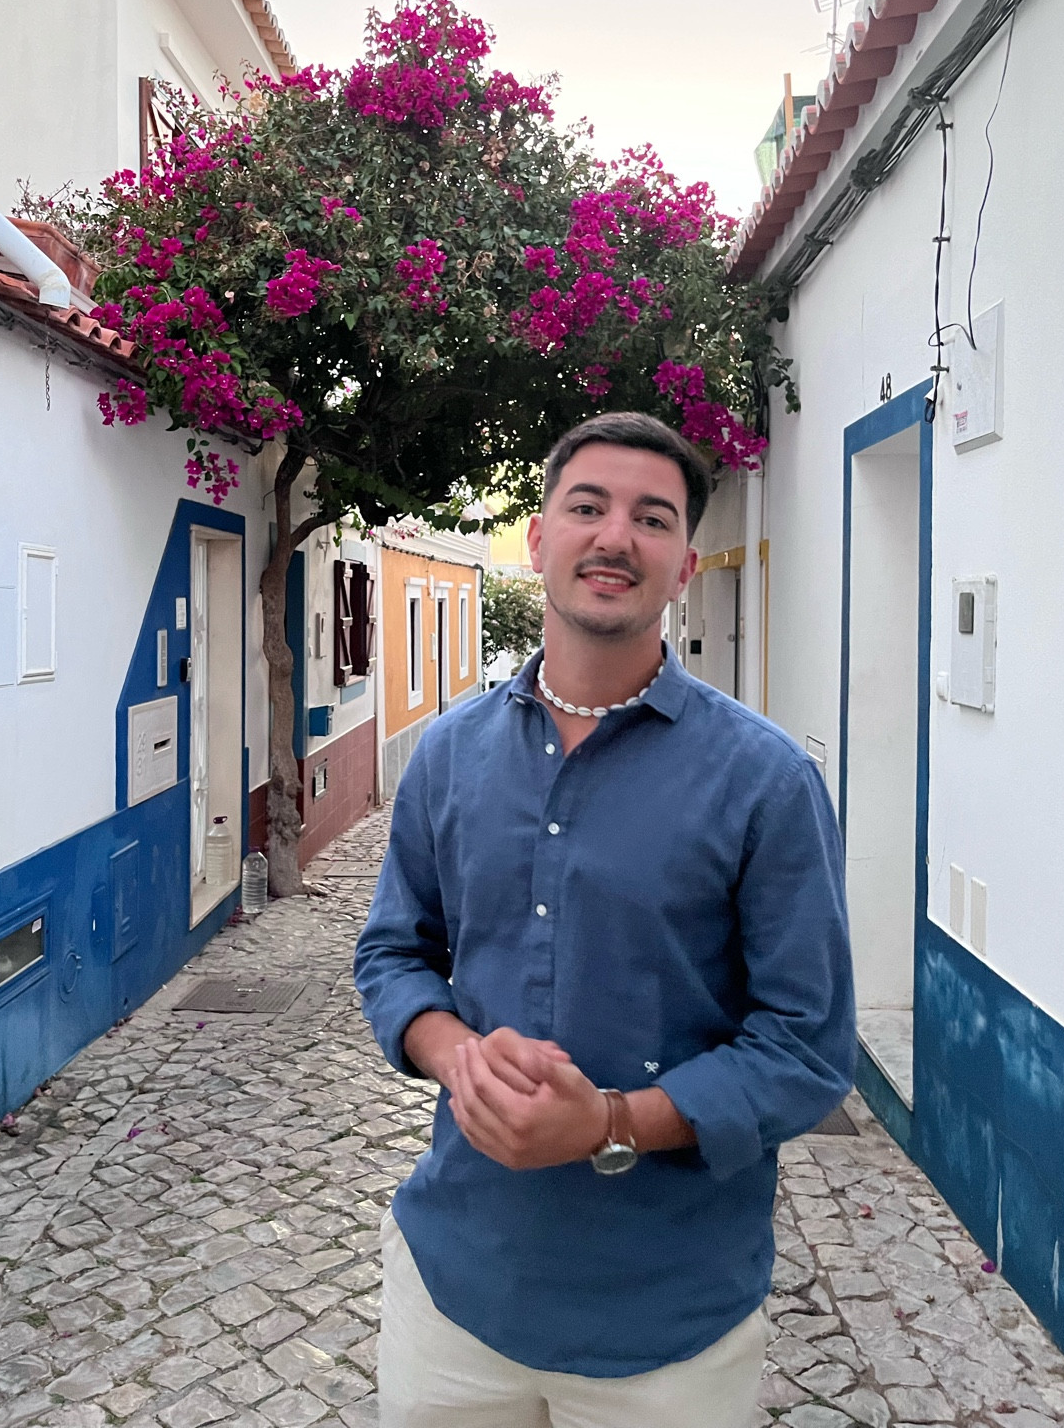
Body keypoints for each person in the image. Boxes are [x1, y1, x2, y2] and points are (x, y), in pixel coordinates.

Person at [354, 411, 855, 1427]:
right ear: (539, 539)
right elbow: (394, 951)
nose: (615, 536)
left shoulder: (766, 783)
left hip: (668, 1324)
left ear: (684, 567)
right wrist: (458, 1057)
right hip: (455, 1288)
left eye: (652, 518)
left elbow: (806, 1049)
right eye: (587, 507)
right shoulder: (448, 756)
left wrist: (611, 1125)